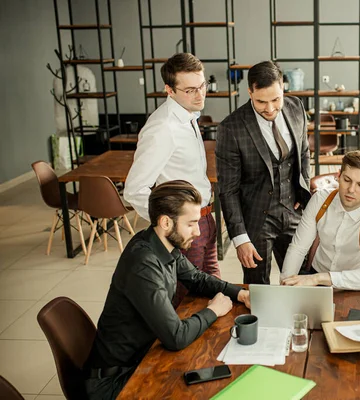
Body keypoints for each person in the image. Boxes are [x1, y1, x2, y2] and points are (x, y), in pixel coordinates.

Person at [84, 180, 250, 400]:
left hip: (144, 357)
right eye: (190, 224)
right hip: (116, 382)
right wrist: (213, 310)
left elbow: (197, 279)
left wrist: (239, 293)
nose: (198, 231)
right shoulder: (143, 264)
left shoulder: (162, 244)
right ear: (165, 222)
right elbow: (175, 337)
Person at [124, 53, 220, 281]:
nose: (200, 95)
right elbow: (134, 190)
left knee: (212, 289)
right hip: (184, 227)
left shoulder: (189, 114)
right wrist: (170, 227)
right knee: (186, 300)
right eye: (190, 90)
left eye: (202, 86)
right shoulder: (162, 127)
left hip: (206, 218)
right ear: (169, 90)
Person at [216, 61, 311, 284]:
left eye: (275, 99)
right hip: (256, 222)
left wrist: (302, 191)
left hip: (294, 213)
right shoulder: (231, 128)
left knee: (302, 281)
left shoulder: (296, 107)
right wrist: (240, 238)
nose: (269, 108)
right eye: (261, 101)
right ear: (250, 92)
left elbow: (304, 153)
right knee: (258, 289)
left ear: (283, 89)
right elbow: (227, 190)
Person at [280, 150, 360, 290]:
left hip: (357, 284)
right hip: (315, 276)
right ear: (339, 176)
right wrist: (286, 284)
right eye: (347, 180)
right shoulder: (320, 199)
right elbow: (298, 248)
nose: (351, 189)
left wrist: (319, 278)